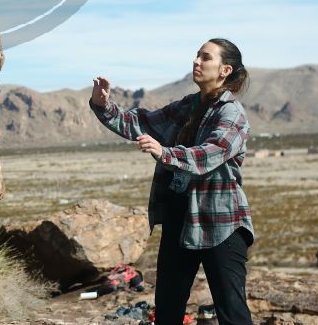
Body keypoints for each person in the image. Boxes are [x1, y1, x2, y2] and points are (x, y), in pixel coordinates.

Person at [89, 39, 254, 325]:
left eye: (205, 57)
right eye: (197, 55)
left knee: (233, 314)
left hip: (222, 224)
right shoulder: (188, 106)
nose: (196, 61)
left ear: (225, 70)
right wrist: (103, 105)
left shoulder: (232, 114)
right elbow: (142, 124)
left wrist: (164, 152)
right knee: (167, 310)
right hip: (181, 220)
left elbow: (208, 155)